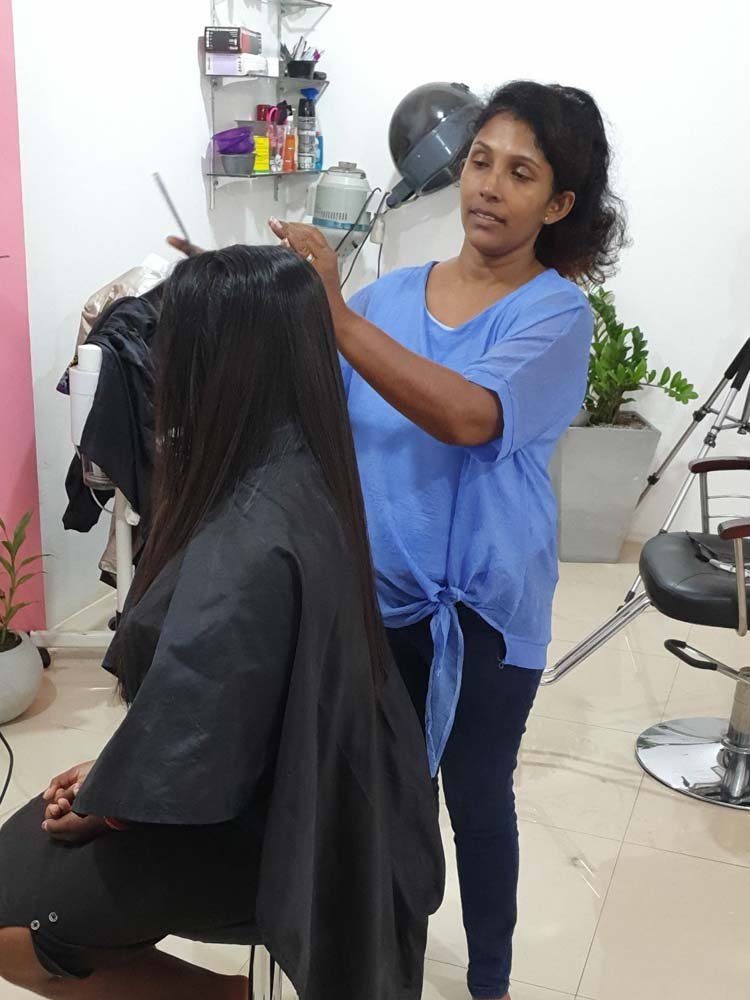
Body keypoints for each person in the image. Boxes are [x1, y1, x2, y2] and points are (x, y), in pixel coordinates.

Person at [262, 81, 628, 1000]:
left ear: (559, 204)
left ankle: (490, 978)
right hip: (375, 600)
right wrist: (236, 310)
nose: (489, 187)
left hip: (481, 616)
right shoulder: (387, 298)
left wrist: (338, 317)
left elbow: (468, 416)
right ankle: (389, 969)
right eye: (479, 162)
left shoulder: (554, 316)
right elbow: (315, 408)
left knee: (475, 796)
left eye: (521, 174)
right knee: (386, 801)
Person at [0, 246, 444, 1000]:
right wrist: (114, 774)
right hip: (329, 804)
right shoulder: (306, 475)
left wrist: (109, 808)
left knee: (7, 921)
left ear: (207, 365)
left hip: (274, 841)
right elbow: (215, 717)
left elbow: (199, 755)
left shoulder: (248, 542)